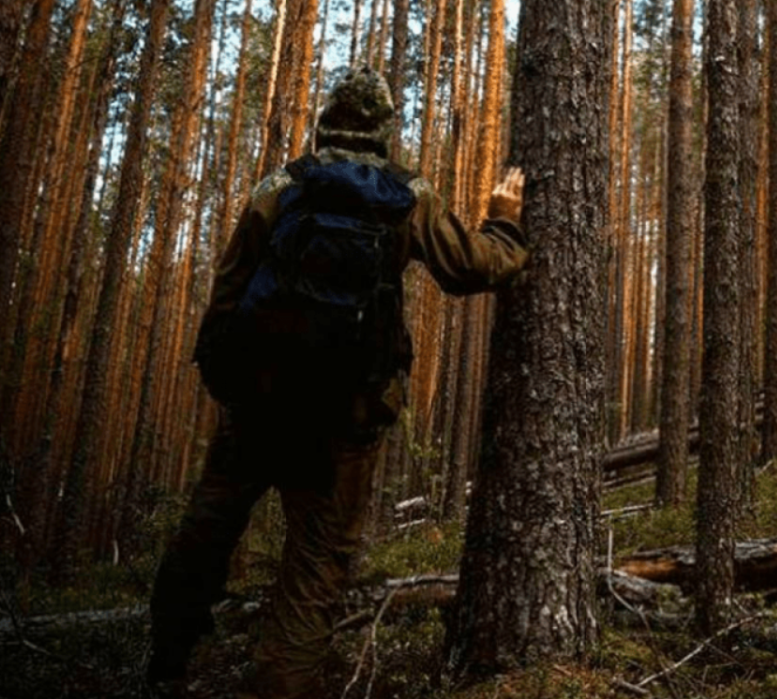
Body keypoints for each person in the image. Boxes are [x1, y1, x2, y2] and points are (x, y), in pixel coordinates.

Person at [146, 66, 528, 698]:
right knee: (315, 567)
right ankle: (280, 686)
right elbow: (472, 268)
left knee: (207, 531)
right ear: (383, 127)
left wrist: (230, 386)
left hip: (257, 403)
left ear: (326, 118)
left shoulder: (281, 185)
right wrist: (505, 222)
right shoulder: (407, 193)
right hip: (344, 418)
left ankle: (166, 667)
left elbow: (228, 289)